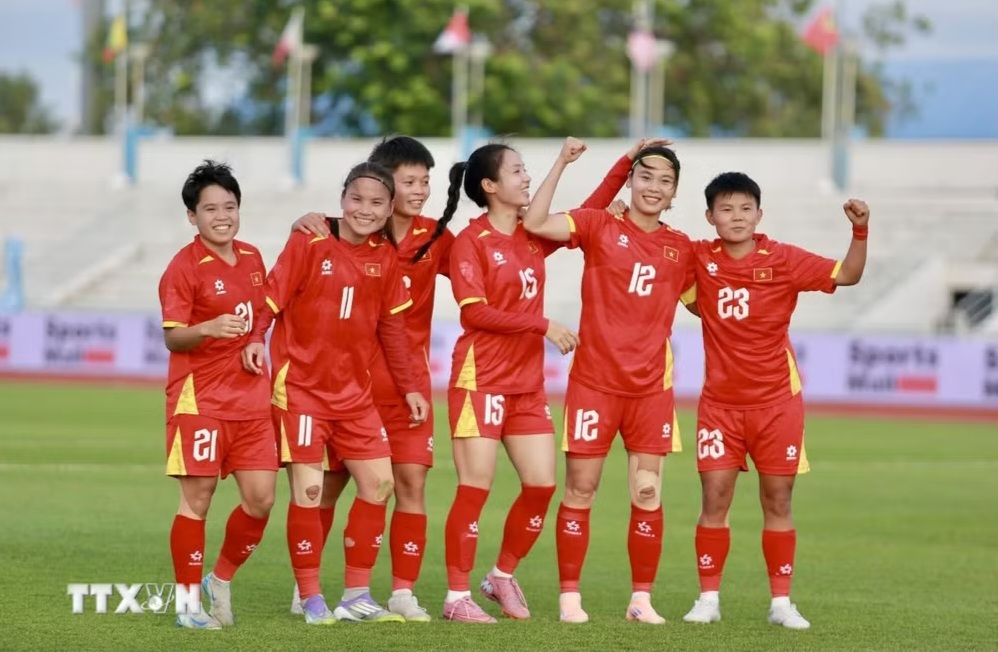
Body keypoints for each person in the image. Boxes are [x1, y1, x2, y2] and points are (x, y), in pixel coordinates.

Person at [679, 172, 869, 630]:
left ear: (759, 214)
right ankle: (708, 599)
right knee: (714, 497)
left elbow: (847, 275)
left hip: (777, 403)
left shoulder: (783, 258)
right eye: (726, 209)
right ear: (710, 217)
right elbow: (678, 286)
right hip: (719, 407)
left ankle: (781, 603)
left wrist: (860, 231)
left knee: (778, 500)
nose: (737, 216)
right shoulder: (698, 258)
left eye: (745, 208)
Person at [242, 161, 430, 624]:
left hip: (354, 397)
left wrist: (409, 388)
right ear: (342, 198)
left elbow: (392, 329)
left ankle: (356, 595)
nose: (364, 210)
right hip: (302, 391)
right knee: (309, 491)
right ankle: (309, 597)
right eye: (356, 199)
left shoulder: (386, 259)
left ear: (389, 210)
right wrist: (253, 339)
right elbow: (271, 298)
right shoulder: (309, 240)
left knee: (380, 484)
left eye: (376, 203)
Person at [521, 137, 695, 624]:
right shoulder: (599, 225)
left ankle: (641, 600)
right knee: (581, 489)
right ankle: (570, 599)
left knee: (647, 492)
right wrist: (599, 163)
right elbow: (535, 223)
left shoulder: (682, 248)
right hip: (595, 383)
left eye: (665, 180)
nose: (654, 187)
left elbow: (709, 303)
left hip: (650, 390)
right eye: (646, 176)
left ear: (675, 190)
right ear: (632, 180)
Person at [288, 136, 454, 621]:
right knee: (327, 486)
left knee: (408, 484)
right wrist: (304, 221)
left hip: (404, 389)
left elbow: (495, 255)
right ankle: (308, 588)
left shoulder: (437, 238)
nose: (420, 191)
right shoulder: (337, 233)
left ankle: (400, 591)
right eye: (409, 182)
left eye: (426, 181)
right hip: (344, 388)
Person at [439, 142, 580, 623]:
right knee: (475, 487)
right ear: (490, 186)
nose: (525, 178)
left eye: (526, 170)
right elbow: (474, 312)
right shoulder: (470, 241)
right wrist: (542, 325)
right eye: (517, 171)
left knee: (541, 485)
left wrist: (574, 163)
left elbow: (589, 217)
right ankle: (456, 597)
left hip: (525, 384)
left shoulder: (532, 234)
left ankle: (500, 575)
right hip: (481, 379)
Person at [158, 160, 278, 629]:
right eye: (211, 208)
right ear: (193, 216)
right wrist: (207, 327)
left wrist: (253, 339)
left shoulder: (251, 256)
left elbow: (262, 313)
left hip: (250, 399)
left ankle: (219, 578)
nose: (222, 215)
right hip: (200, 398)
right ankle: (188, 606)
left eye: (229, 206)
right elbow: (172, 338)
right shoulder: (182, 268)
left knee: (262, 500)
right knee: (198, 499)